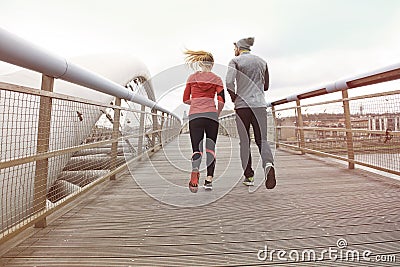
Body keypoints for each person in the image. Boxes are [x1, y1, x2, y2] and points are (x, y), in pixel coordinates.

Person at [226, 37, 276, 189]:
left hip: (242, 107)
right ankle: (268, 164)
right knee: (262, 140)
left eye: (235, 47)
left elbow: (229, 82)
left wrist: (235, 97)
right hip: (260, 105)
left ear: (239, 48)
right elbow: (266, 86)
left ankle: (249, 176)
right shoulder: (262, 62)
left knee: (245, 142)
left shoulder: (235, 61)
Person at [183, 50, 225, 193]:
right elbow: (221, 100)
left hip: (195, 116)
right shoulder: (217, 79)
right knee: (210, 149)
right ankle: (209, 180)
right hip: (211, 116)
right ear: (212, 64)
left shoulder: (192, 78)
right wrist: (216, 112)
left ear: (200, 63)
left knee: (197, 149)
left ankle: (195, 172)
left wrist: (196, 103)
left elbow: (185, 99)